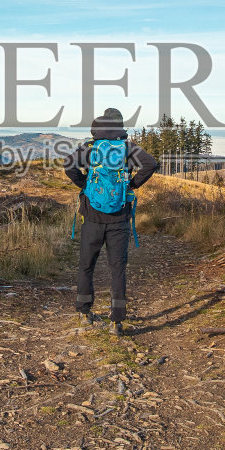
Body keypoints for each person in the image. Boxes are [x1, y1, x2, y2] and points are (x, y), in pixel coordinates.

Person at [64, 108, 157, 336]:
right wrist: (132, 185)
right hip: (120, 219)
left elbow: (68, 165)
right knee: (118, 269)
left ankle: (85, 313)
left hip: (92, 218)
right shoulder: (127, 148)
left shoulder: (90, 147)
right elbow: (151, 164)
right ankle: (116, 321)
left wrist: (85, 184)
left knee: (87, 265)